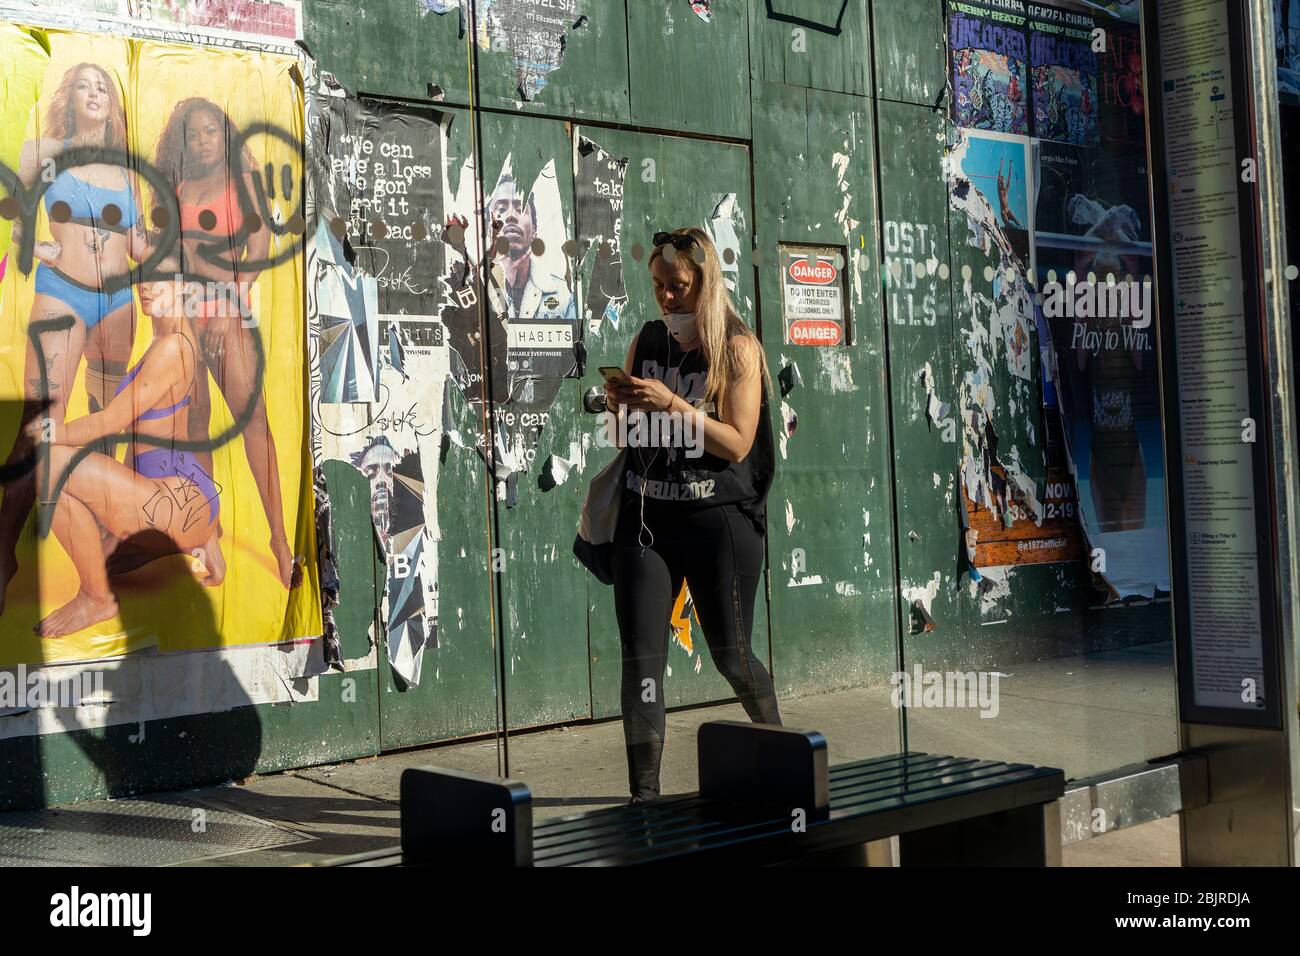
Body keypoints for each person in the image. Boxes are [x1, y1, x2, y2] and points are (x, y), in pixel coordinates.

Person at [601, 227, 781, 803]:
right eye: (658, 286)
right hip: (647, 515)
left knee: (731, 653)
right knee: (642, 659)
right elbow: (624, 433)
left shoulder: (736, 346)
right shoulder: (648, 339)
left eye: (677, 286)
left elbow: (737, 442)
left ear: (705, 286)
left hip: (717, 521)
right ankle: (643, 797)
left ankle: (785, 755)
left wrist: (672, 403)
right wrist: (620, 405)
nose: (666, 298)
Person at [0, 62, 150, 613]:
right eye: (85, 85)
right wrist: (27, 247)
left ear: (113, 104)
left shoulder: (127, 170)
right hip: (63, 294)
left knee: (105, 422)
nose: (95, 92)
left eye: (103, 87)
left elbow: (138, 246)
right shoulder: (44, 149)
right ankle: (3, 548)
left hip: (118, 304)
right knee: (41, 424)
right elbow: (18, 219)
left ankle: (99, 537)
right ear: (70, 97)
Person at [26, 271, 223, 638]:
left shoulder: (171, 349)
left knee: (44, 467)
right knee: (99, 550)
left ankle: (95, 597)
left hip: (174, 504)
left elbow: (111, 422)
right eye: (142, 278)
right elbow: (175, 433)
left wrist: (51, 433)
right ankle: (200, 536)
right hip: (189, 497)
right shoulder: (173, 339)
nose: (145, 287)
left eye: (159, 278)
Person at [153, 96, 298, 588]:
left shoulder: (244, 182)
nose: (203, 140)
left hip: (230, 315)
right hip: (191, 319)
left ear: (224, 133)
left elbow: (258, 243)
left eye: (211, 130)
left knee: (253, 422)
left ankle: (280, 540)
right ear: (183, 140)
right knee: (195, 425)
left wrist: (234, 299)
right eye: (194, 134)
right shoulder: (180, 188)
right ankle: (207, 535)